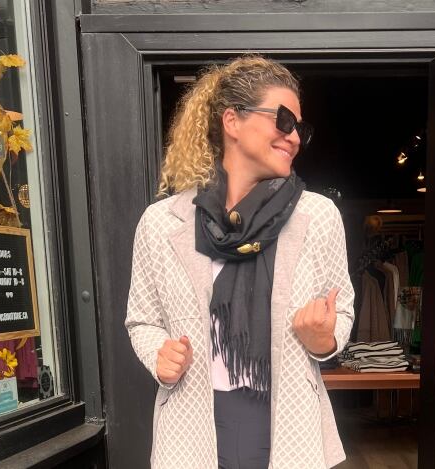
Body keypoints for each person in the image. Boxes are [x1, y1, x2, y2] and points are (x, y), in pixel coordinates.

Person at [124, 55, 355, 469]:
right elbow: (142, 319)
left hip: (288, 424)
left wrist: (324, 338)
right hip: (192, 428)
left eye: (300, 127)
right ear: (232, 121)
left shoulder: (316, 217)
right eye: (283, 120)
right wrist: (159, 353)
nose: (295, 136)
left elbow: (342, 311)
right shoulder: (162, 223)